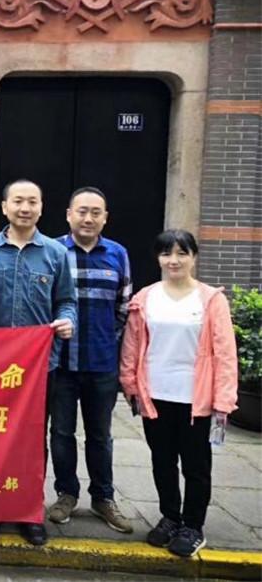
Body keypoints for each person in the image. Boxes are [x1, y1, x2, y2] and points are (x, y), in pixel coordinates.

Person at [120, 229, 238, 557]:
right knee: (162, 460)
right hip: (155, 394)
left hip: (195, 399)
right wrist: (129, 383)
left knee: (196, 465)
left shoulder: (211, 300)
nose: (174, 260)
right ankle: (170, 517)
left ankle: (193, 526)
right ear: (158, 259)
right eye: (166, 253)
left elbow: (225, 353)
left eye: (182, 253)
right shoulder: (146, 298)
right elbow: (132, 345)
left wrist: (224, 399)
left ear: (193, 257)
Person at [0, 179, 76, 546]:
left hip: (39, 367)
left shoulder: (55, 253)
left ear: (41, 207)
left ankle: (27, 510)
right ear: (4, 207)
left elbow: (66, 301)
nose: (25, 208)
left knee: (33, 442)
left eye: (32, 201)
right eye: (18, 201)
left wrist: (68, 321)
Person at [48, 187, 133, 533]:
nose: (88, 218)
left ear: (105, 218)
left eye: (95, 212)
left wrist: (104, 340)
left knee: (100, 435)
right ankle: (66, 494)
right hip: (62, 364)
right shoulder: (53, 251)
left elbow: (123, 309)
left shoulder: (117, 254)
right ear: (69, 214)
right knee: (61, 432)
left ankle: (103, 498)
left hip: (101, 365)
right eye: (82, 211)